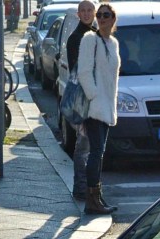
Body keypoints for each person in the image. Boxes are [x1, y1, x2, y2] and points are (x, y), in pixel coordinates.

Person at [76, 2, 120, 215]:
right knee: (96, 152)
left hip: (106, 106)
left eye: (106, 15)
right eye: (99, 15)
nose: (102, 18)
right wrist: (94, 97)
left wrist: (110, 102)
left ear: (113, 19)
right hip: (94, 107)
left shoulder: (113, 43)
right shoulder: (89, 40)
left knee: (99, 153)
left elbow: (112, 78)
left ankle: (96, 197)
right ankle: (91, 200)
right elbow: (83, 72)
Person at [63, 0, 97, 201]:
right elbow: (81, 71)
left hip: (91, 97)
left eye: (89, 10)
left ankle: (88, 188)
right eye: (83, 10)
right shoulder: (77, 37)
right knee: (83, 146)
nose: (86, 13)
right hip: (83, 99)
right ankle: (81, 188)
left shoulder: (93, 33)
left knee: (89, 146)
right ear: (78, 14)